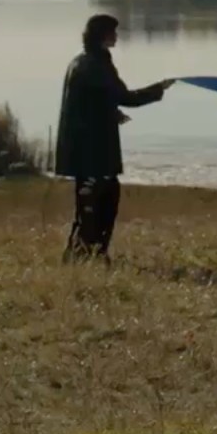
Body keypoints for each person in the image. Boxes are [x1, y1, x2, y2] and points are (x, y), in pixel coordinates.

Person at [53, 14, 169, 261]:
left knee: (95, 203)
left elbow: (94, 99)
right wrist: (158, 89)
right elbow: (123, 96)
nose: (117, 36)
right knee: (97, 205)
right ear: (103, 35)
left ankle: (87, 254)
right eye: (113, 32)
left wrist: (112, 112)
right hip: (92, 150)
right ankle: (87, 255)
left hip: (87, 149)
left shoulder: (85, 62)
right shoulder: (95, 65)